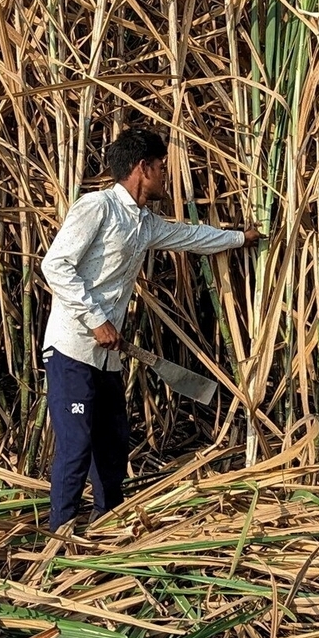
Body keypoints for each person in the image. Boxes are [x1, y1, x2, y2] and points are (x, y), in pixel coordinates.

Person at [39, 127, 261, 533]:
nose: (165, 176)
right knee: (76, 446)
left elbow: (190, 236)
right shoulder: (97, 207)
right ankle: (60, 538)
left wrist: (239, 238)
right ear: (143, 167)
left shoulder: (143, 222)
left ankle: (106, 527)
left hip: (106, 356)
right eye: (161, 167)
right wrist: (97, 319)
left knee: (113, 443)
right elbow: (55, 265)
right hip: (72, 349)